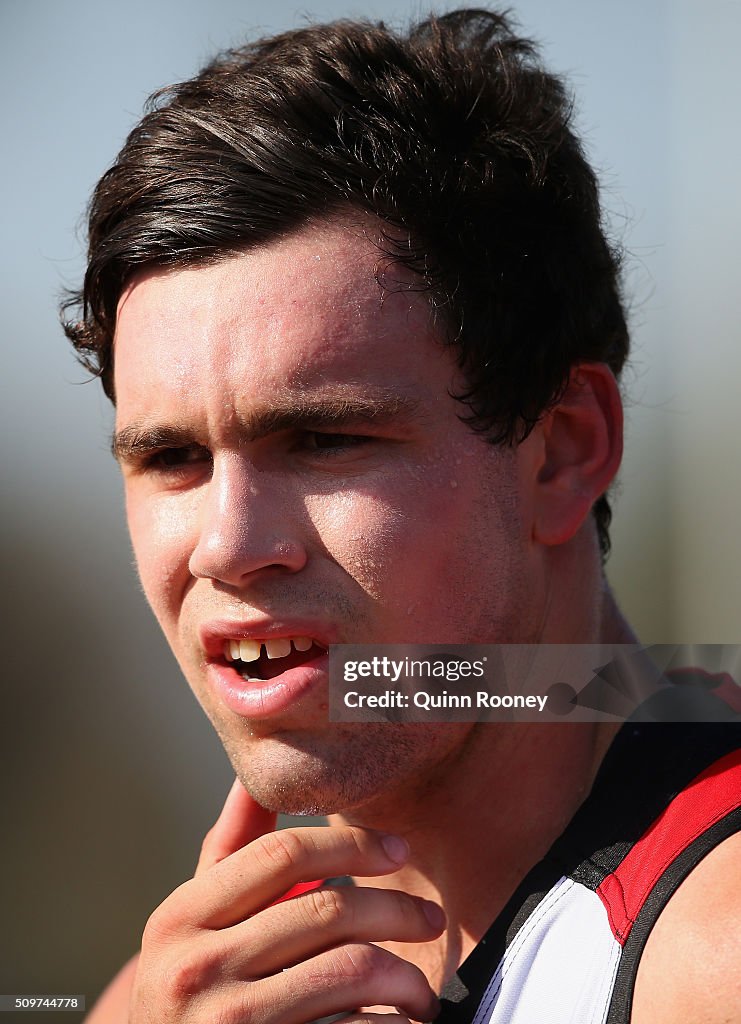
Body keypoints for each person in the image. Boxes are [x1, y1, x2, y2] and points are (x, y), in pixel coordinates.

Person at [62, 9, 741, 1023]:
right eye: (172, 457)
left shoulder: (713, 951)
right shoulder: (196, 985)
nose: (229, 545)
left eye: (326, 440)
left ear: (561, 453)